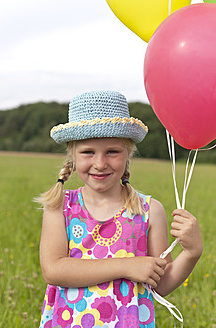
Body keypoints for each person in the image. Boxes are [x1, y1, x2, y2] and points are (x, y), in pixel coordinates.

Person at [37, 90, 203, 328]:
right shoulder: (60, 207)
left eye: (112, 151)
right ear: (72, 156)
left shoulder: (149, 211)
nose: (100, 163)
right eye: (88, 152)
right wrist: (127, 265)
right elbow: (54, 270)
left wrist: (191, 253)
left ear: (128, 154)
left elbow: (161, 282)